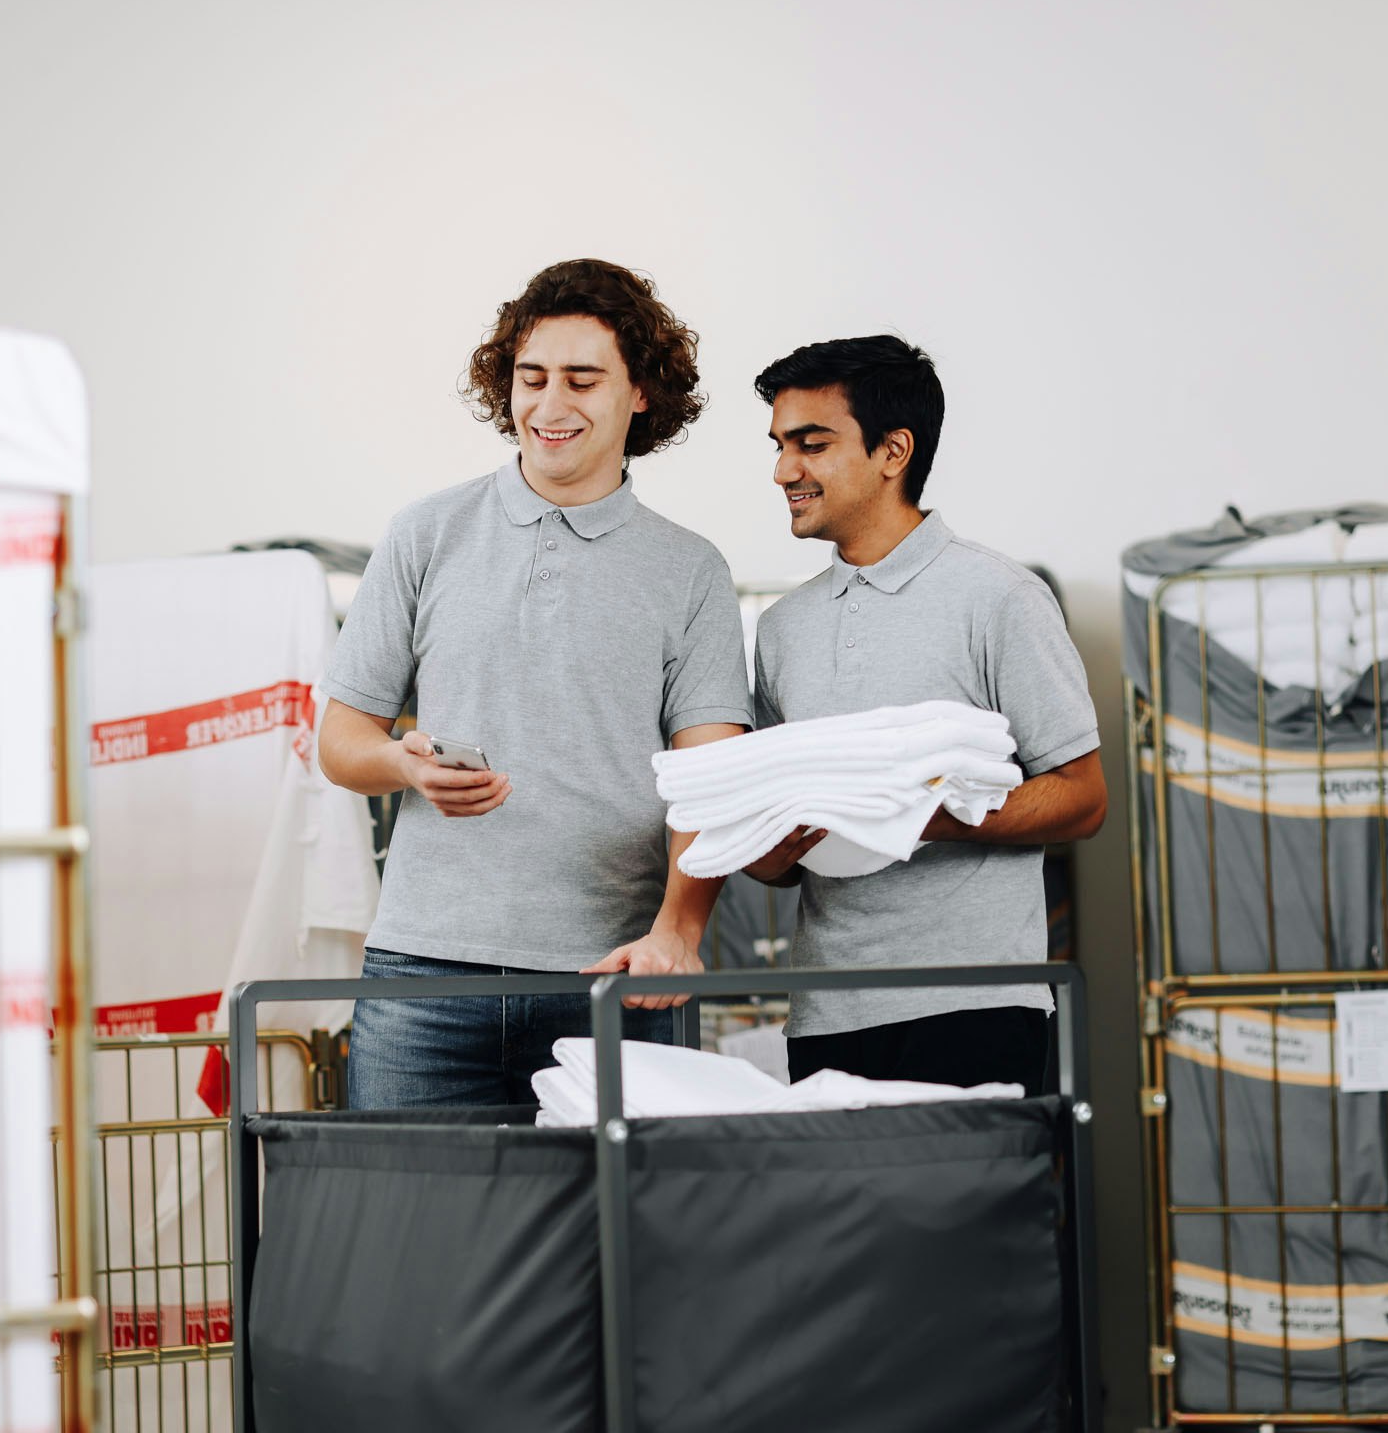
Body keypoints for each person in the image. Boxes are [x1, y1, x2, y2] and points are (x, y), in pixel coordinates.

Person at [318, 259, 751, 1108]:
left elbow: (715, 779)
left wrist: (678, 930)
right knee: (414, 1234)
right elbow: (340, 741)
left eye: (582, 380)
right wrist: (406, 767)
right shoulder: (424, 534)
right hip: (423, 975)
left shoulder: (690, 570)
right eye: (531, 377)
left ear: (639, 394)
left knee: (616, 1242)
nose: (550, 406)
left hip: (617, 977)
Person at [740, 335, 1107, 1093]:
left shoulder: (998, 597)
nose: (784, 470)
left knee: (964, 1215)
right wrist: (769, 847)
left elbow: (1082, 795)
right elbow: (775, 859)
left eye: (811, 444)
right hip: (826, 1015)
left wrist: (917, 814)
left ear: (892, 451)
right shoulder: (782, 628)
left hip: (970, 1005)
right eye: (779, 446)